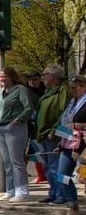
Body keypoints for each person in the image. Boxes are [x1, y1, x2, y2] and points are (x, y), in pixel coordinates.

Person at [0, 67, 35, 203]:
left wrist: (18, 119)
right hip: (0, 127)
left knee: (17, 161)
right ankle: (10, 191)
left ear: (11, 76)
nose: (2, 78)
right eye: (0, 76)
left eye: (4, 76)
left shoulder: (20, 89)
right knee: (6, 161)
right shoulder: (1, 91)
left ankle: (22, 191)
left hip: (15, 128)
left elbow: (29, 108)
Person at [36, 65, 72, 204]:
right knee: (47, 166)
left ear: (54, 75)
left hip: (53, 134)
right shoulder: (49, 91)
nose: (43, 77)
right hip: (43, 133)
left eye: (45, 74)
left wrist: (54, 131)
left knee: (56, 166)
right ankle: (53, 192)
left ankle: (62, 194)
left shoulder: (63, 89)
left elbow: (64, 112)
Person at [54, 75, 86, 215]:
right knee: (62, 175)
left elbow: (76, 124)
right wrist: (60, 143)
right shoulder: (72, 102)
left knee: (83, 178)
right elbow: (64, 122)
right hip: (68, 143)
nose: (72, 91)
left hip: (83, 143)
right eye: (71, 88)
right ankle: (73, 207)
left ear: (84, 86)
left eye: (75, 88)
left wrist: (77, 126)